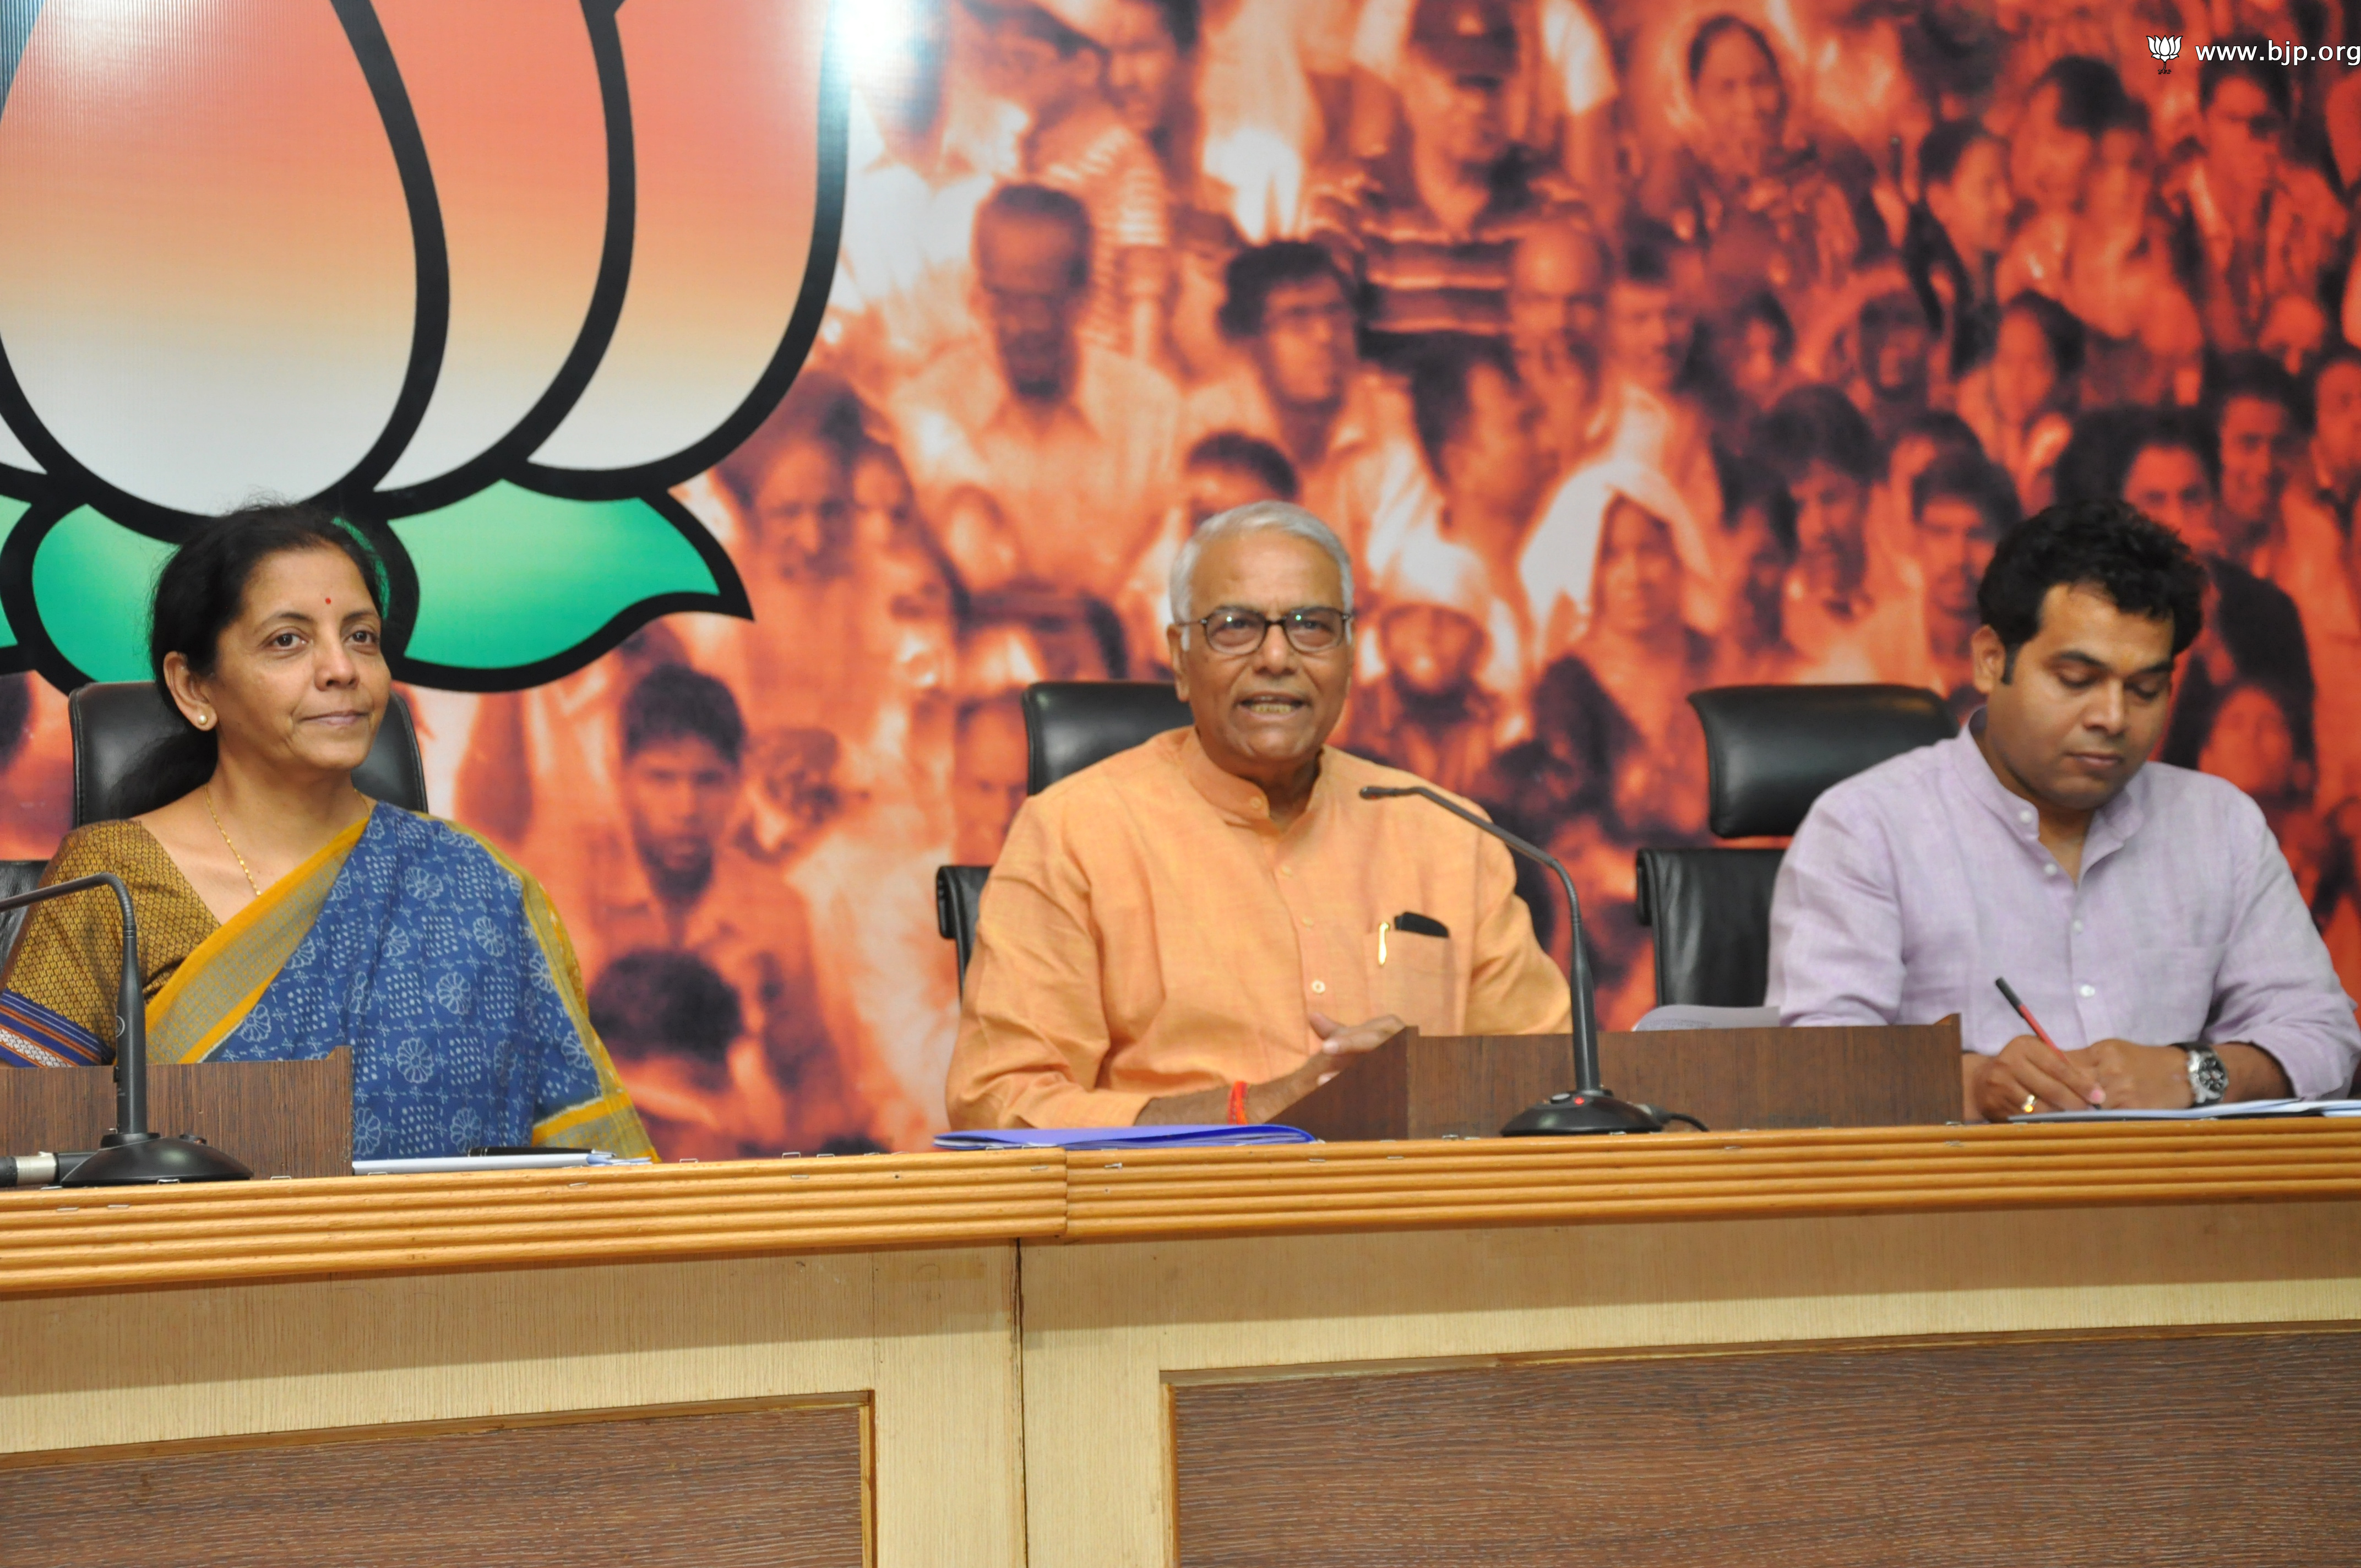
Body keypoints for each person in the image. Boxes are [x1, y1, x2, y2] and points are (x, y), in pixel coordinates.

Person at [0, 505, 653, 1160]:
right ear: (194, 685)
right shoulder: (112, 885)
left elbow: (597, 1177)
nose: (342, 669)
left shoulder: (475, 885)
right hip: (189, 1260)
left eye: (362, 636)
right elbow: (24, 1150)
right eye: (288, 640)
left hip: (448, 1259)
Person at [944, 501, 1572, 1129]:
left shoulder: (1447, 832)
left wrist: (1422, 1091)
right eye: (1236, 626)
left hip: (1416, 1214)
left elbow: (1552, 1082)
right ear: (1180, 658)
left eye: (1312, 625)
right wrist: (1256, 1111)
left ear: (1349, 654)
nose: (1276, 656)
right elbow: (1001, 1102)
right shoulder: (1073, 834)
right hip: (1184, 1217)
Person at [1767, 499, 2360, 1118]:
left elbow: (2321, 1034)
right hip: (1954, 1204)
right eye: (2077, 679)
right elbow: (1815, 1065)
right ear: (1992, 659)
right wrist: (1971, 1084)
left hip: (2178, 1201)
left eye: (2144, 690)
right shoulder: (1866, 828)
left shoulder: (2218, 825)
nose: (2112, 718)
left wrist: (2195, 1073)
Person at [890, 183, 1180, 603]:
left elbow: (1164, 591)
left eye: (1040, 303)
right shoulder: (929, 409)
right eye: (1001, 301)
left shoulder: (1151, 414)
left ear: (1084, 299)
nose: (1018, 326)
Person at [1308, 0, 1590, 355]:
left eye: (1492, 86)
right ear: (1410, 78)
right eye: (1460, 83)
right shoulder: (1351, 204)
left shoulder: (1553, 207)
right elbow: (1322, 346)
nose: (1478, 106)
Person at [1183, 241, 1438, 567]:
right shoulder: (1208, 422)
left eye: (1337, 316)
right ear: (1251, 341)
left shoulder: (1395, 420)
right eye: (1297, 320)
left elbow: (1403, 570)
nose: (1325, 336)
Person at [1642, 14, 1881, 313]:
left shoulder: (1830, 160)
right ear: (1694, 99)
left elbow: (1880, 273)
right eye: (1726, 89)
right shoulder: (1679, 181)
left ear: (1783, 84)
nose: (1750, 106)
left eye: (1761, 82)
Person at [2162, 45, 2347, 357]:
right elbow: (2220, 334)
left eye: (2263, 124)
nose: (2248, 138)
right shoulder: (2173, 203)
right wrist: (2248, 219)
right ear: (2202, 123)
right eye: (2232, 121)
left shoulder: (2307, 196)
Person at [1910, 450, 2019, 716]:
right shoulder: (1869, 656)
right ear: (1916, 538)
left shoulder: (2034, 656)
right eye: (1940, 533)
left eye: (1978, 535)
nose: (1958, 557)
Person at [1905, 119, 2011, 377]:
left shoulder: (2000, 272)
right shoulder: (1929, 296)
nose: (2008, 202)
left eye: (2009, 181)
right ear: (1941, 203)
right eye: (1987, 188)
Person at [2203, 352, 2303, 571]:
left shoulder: (2313, 540)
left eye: (2280, 445)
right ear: (2211, 448)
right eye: (2248, 444)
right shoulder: (2176, 544)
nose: (2266, 466)